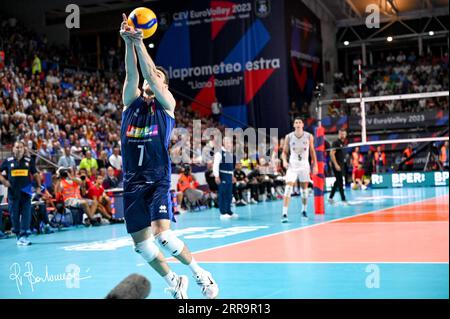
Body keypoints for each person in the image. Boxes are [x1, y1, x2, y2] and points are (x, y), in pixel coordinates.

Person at [119, 15, 218, 300]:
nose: (153, 79)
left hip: (157, 178)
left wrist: (138, 43)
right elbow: (133, 76)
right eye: (152, 78)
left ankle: (201, 273)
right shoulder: (131, 104)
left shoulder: (167, 106)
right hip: (132, 182)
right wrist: (129, 42)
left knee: (163, 236)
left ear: (163, 85)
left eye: (159, 78)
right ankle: (174, 280)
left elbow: (149, 74)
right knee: (143, 247)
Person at [0, 141, 42, 246]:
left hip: (26, 193)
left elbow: (36, 174)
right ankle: (18, 235)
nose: (19, 149)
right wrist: (4, 181)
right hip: (13, 194)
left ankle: (24, 235)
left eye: (21, 147)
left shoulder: (29, 161)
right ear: (13, 149)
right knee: (14, 215)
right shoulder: (8, 161)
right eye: (17, 147)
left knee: (26, 214)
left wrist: (38, 186)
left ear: (24, 149)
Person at [280, 117, 318, 223]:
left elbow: (312, 151)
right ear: (294, 125)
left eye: (299, 122)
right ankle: (284, 213)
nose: (297, 124)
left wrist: (315, 165)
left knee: (304, 190)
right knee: (288, 188)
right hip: (292, 165)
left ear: (302, 125)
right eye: (296, 122)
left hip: (304, 165)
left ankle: (304, 210)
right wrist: (284, 161)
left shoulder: (309, 136)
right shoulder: (289, 137)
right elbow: (284, 152)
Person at [213, 136, 238, 220]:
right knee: (223, 194)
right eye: (227, 142)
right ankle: (223, 212)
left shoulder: (229, 154)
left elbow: (231, 167)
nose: (229, 144)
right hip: (222, 175)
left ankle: (228, 211)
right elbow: (215, 165)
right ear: (224, 143)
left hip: (229, 176)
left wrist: (233, 176)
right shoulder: (219, 153)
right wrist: (216, 176)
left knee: (229, 194)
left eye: (230, 142)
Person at [328, 128, 348, 206]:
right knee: (340, 182)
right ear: (339, 134)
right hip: (337, 165)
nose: (343, 135)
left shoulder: (343, 143)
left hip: (341, 165)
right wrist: (336, 164)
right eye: (341, 134)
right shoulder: (336, 143)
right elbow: (331, 154)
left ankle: (330, 198)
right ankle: (343, 199)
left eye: (344, 134)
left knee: (337, 182)